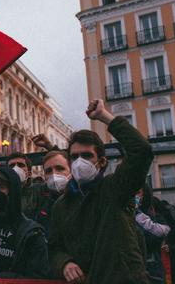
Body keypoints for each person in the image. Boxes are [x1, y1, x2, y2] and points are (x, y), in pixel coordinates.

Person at [49, 99, 153, 284]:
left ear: (102, 162)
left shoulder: (115, 188)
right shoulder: (61, 205)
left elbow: (142, 150)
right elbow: (54, 248)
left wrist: (104, 116)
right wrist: (65, 263)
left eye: (87, 156)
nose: (80, 162)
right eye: (74, 157)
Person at [134, 185, 171, 284]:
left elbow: (157, 237)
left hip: (152, 271)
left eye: (137, 192)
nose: (132, 195)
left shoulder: (152, 217)